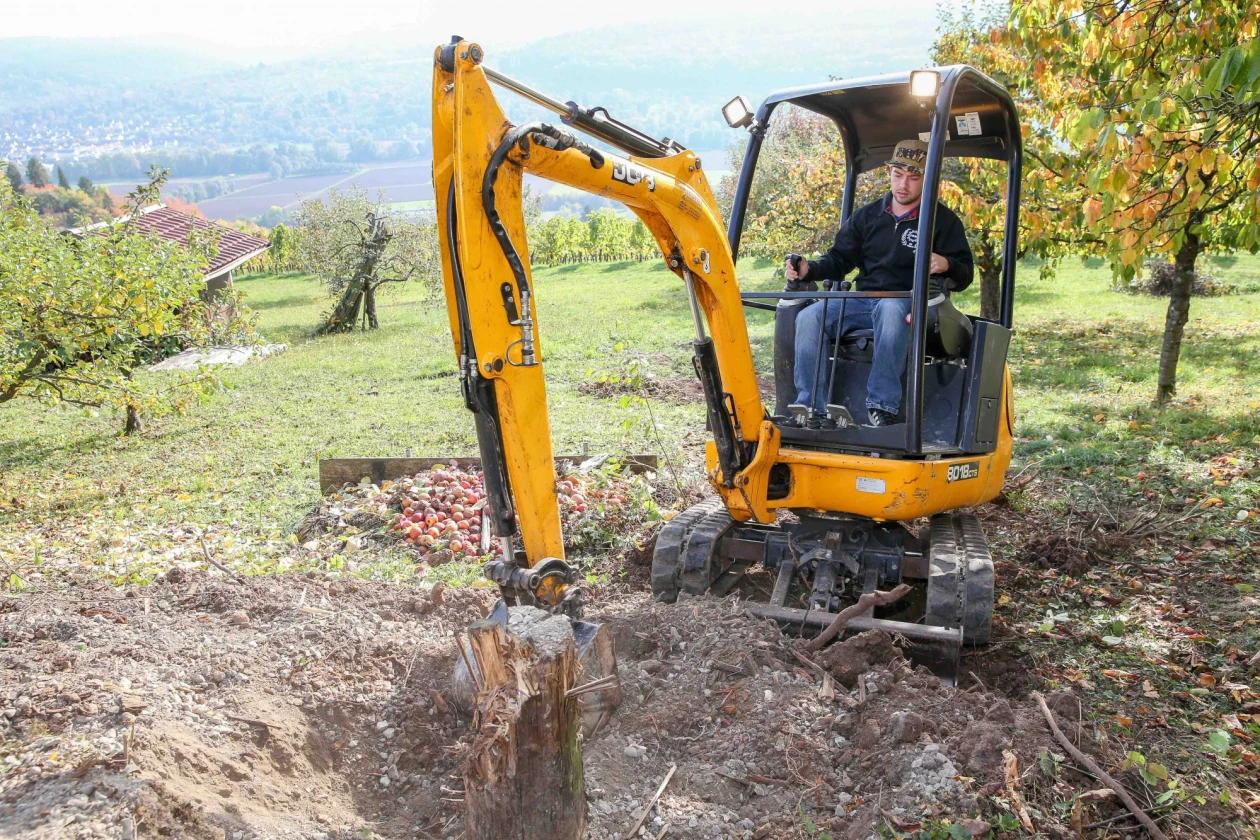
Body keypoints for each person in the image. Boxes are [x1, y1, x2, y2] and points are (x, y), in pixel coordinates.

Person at [786, 139, 974, 426]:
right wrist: (807, 270)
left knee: (889, 307)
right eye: (898, 176)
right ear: (890, 174)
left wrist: (947, 264)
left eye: (913, 178)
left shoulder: (943, 221)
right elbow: (838, 259)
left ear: (928, 179)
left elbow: (965, 275)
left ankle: (881, 406)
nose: (903, 185)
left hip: (911, 301)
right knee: (811, 317)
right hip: (864, 299)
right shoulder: (868, 216)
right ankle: (811, 408)